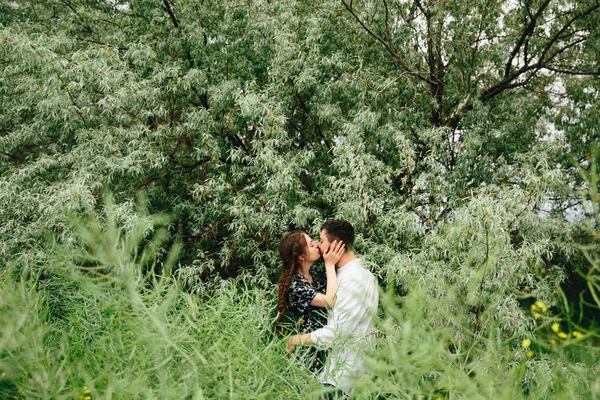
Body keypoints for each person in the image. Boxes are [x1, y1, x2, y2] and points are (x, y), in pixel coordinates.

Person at [286, 220, 379, 396]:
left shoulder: (353, 279)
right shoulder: (346, 276)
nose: (319, 246)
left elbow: (337, 333)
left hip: (341, 378)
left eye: (320, 241)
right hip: (338, 374)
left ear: (336, 244)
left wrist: (297, 339)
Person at [277, 230, 345, 372]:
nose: (316, 245)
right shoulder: (295, 286)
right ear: (302, 256)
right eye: (311, 244)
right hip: (307, 355)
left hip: (325, 345)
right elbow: (330, 301)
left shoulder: (316, 273)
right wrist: (329, 264)